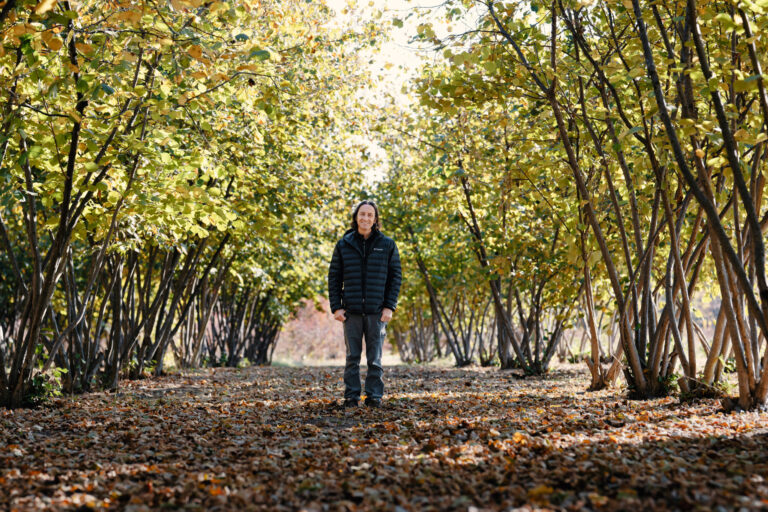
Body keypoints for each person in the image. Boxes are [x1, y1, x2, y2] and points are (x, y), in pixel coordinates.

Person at [328, 200, 402, 408]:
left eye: (370, 215)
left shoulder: (387, 245)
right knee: (352, 357)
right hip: (350, 311)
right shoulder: (343, 244)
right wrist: (336, 307)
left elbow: (395, 277)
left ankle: (374, 396)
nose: (366, 218)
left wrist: (389, 306)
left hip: (377, 311)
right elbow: (334, 277)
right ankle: (351, 396)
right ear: (356, 217)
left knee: (374, 358)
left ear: (375, 219)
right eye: (362, 214)